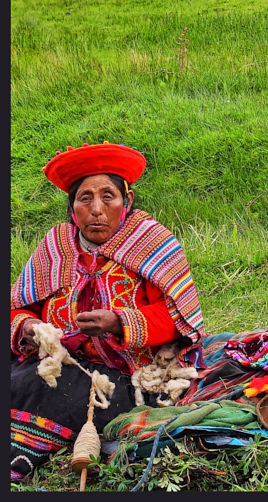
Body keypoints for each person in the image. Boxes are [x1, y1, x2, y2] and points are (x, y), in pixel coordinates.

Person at [10, 142, 206, 483]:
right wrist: (29, 327)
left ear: (126, 201)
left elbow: (179, 318)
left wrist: (119, 322)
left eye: (108, 197)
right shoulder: (57, 244)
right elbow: (20, 305)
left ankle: (26, 448)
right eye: (85, 198)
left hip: (125, 373)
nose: (96, 209)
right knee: (31, 377)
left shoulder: (152, 242)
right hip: (57, 359)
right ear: (72, 207)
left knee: (62, 392)